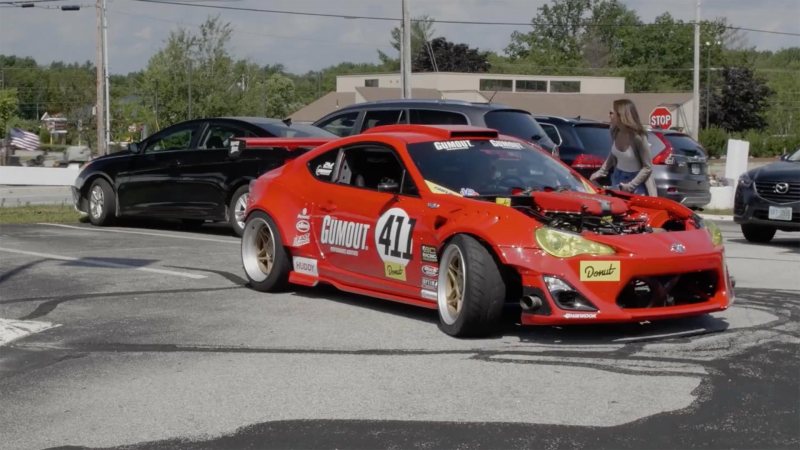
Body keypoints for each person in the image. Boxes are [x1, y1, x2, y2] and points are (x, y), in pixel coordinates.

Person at [590, 99, 657, 196]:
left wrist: (630, 186)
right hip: (617, 177)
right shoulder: (614, 131)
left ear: (621, 115)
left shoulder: (638, 137)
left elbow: (647, 167)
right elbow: (613, 154)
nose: (609, 116)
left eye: (611, 113)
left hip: (636, 182)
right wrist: (601, 171)